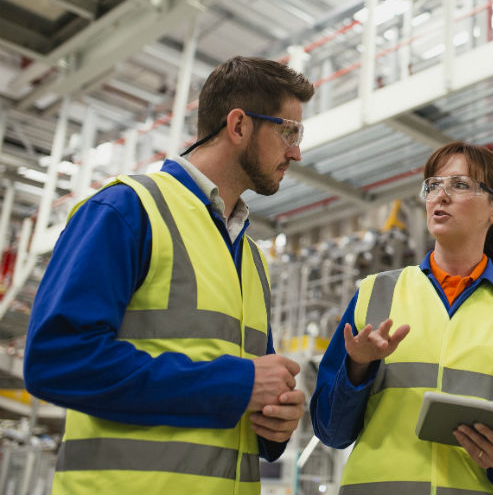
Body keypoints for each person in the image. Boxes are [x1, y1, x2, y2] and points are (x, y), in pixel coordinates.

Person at [24, 56, 315, 495]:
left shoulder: (253, 259)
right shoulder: (128, 210)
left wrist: (274, 422)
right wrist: (235, 383)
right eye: (288, 132)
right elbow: (56, 361)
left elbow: (248, 396)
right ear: (238, 126)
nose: (295, 151)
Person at [310, 141, 493, 494]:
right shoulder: (375, 296)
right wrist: (356, 369)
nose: (440, 196)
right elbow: (330, 430)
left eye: (460, 185)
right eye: (433, 186)